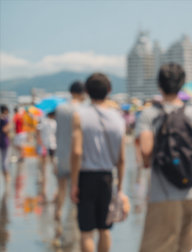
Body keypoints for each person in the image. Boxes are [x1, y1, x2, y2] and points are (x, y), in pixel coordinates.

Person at [136, 63, 192, 252]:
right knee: (190, 247)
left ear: (159, 84)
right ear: (182, 84)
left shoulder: (150, 114)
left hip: (162, 195)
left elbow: (146, 151)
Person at [70, 73, 126, 252]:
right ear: (109, 90)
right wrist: (120, 188)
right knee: (105, 229)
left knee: (86, 232)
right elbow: (122, 159)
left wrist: (73, 183)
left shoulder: (80, 115)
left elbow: (76, 151)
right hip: (107, 178)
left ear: (86, 91)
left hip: (86, 177)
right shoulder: (118, 118)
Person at [53, 81, 85, 233]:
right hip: (76, 156)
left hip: (61, 154)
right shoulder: (82, 109)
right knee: (76, 189)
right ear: (82, 93)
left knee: (61, 189)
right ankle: (75, 222)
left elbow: (57, 132)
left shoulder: (60, 108)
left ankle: (57, 215)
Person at [36, 111, 57, 199]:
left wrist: (39, 141)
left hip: (44, 146)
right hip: (53, 145)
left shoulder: (43, 122)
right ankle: (55, 187)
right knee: (54, 165)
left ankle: (44, 187)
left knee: (44, 166)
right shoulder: (55, 122)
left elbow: (37, 131)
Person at [0, 105, 10, 183]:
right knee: (5, 159)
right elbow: (5, 129)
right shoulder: (4, 119)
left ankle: (5, 174)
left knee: (3, 158)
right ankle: (6, 175)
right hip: (4, 140)